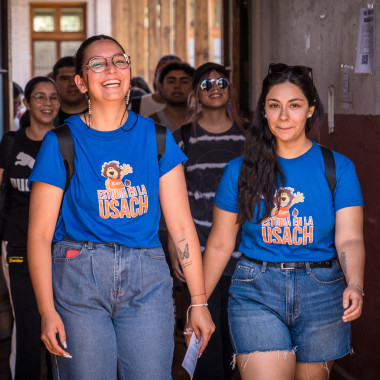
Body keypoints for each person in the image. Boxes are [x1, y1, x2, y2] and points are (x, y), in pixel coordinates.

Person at [27, 34, 214, 380]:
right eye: (97, 63)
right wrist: (46, 310)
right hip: (79, 276)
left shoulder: (157, 138)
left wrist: (198, 302)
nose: (111, 69)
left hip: (147, 277)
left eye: (119, 60)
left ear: (129, 71)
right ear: (81, 82)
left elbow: (182, 228)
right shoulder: (60, 142)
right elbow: (39, 235)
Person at [202, 63, 365, 380]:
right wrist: (199, 303)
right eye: (274, 106)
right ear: (263, 111)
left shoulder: (338, 168)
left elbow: (350, 239)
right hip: (256, 289)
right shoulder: (240, 170)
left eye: (294, 106)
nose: (283, 116)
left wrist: (355, 283)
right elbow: (221, 244)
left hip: (322, 290)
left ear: (310, 110)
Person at [170, 62, 245, 380]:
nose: (215, 88)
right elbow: (171, 198)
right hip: (199, 255)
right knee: (204, 343)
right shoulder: (183, 138)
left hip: (247, 256)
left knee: (241, 344)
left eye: (222, 82)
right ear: (196, 94)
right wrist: (175, 246)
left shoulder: (251, 136)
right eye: (206, 84)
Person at [0, 76, 59, 380]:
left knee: (61, 323)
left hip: (60, 249)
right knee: (27, 322)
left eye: (53, 98)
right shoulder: (11, 142)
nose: (47, 104)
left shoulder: (66, 143)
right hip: (19, 246)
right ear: (26, 103)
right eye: (40, 97)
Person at [149, 61, 194, 133]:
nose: (177, 86)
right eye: (171, 81)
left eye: (184, 82)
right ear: (161, 87)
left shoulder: (204, 121)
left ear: (194, 87)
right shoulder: (149, 124)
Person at [52, 56, 87, 127]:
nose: (72, 83)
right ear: (55, 83)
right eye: (65, 78)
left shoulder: (103, 115)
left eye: (77, 78)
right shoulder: (46, 118)